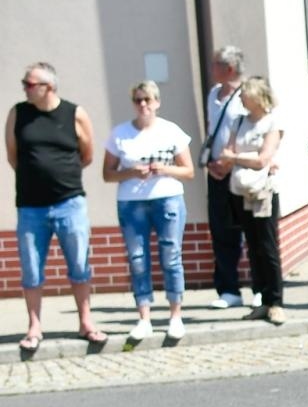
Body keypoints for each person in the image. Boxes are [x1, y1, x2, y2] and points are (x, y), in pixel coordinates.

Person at [7, 61, 104, 350]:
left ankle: (86, 322)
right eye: (24, 83)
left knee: (79, 266)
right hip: (30, 206)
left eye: (29, 83)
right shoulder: (18, 113)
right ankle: (34, 327)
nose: (24, 88)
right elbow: (13, 156)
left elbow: (87, 154)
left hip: (69, 203)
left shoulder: (74, 113)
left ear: (48, 87)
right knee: (32, 269)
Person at [102, 79, 195, 341]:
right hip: (132, 202)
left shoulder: (171, 131)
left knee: (171, 255)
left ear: (157, 102)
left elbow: (188, 171)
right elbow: (107, 174)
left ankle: (175, 315)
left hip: (167, 198)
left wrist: (163, 169)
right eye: (138, 100)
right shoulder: (120, 133)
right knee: (138, 258)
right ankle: (144, 317)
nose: (143, 105)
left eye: (148, 99)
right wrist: (131, 172)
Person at [218, 77, 286, 325]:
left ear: (257, 96)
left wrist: (237, 157)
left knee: (267, 245)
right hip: (240, 189)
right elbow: (226, 154)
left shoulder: (272, 123)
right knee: (253, 245)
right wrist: (241, 157)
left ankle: (277, 301)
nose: (241, 99)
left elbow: (263, 158)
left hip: (263, 191)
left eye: (245, 95)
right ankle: (262, 297)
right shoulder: (239, 121)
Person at [201, 45, 252, 310]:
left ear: (228, 69)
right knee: (221, 232)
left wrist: (231, 161)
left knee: (252, 232)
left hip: (242, 172)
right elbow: (213, 131)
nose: (211, 70)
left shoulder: (248, 93)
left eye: (215, 65)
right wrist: (213, 162)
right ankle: (228, 289)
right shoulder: (213, 95)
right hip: (217, 172)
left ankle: (260, 288)